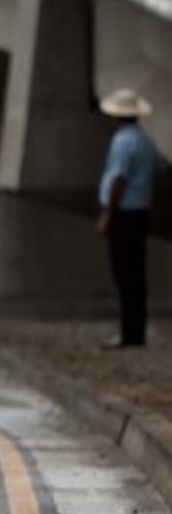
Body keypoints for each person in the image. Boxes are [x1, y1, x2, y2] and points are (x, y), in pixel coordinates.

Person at [95, 88, 167, 349]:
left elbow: (119, 178)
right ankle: (135, 330)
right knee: (136, 273)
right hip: (140, 212)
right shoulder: (146, 141)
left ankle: (129, 333)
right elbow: (160, 168)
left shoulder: (123, 141)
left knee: (124, 273)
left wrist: (107, 215)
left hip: (124, 213)